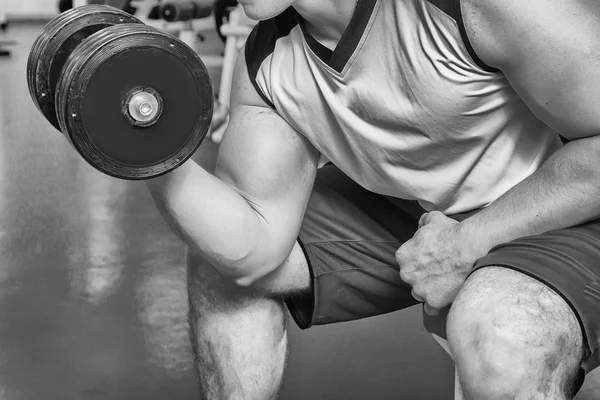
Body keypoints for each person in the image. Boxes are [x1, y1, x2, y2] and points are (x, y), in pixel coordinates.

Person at [146, 0, 600, 398]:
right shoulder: (267, 63)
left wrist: (469, 241)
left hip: (563, 203)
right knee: (218, 265)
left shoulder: (479, 7)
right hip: (424, 208)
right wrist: (150, 153)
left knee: (503, 337)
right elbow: (252, 248)